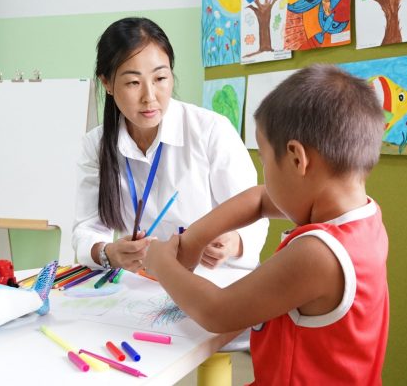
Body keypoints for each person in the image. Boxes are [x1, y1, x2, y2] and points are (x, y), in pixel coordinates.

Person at [146, 64, 389, 385]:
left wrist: (161, 262)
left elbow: (217, 312)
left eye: (263, 160)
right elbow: (260, 198)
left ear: (297, 159)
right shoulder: (364, 216)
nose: (266, 176)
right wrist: (193, 240)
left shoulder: (319, 254)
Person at [72, 17, 268, 273]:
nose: (149, 97)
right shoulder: (96, 144)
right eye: (133, 82)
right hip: (145, 281)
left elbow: (254, 213)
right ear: (107, 83)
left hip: (216, 278)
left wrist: (234, 243)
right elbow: (87, 229)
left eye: (160, 78)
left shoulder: (211, 130)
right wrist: (109, 253)